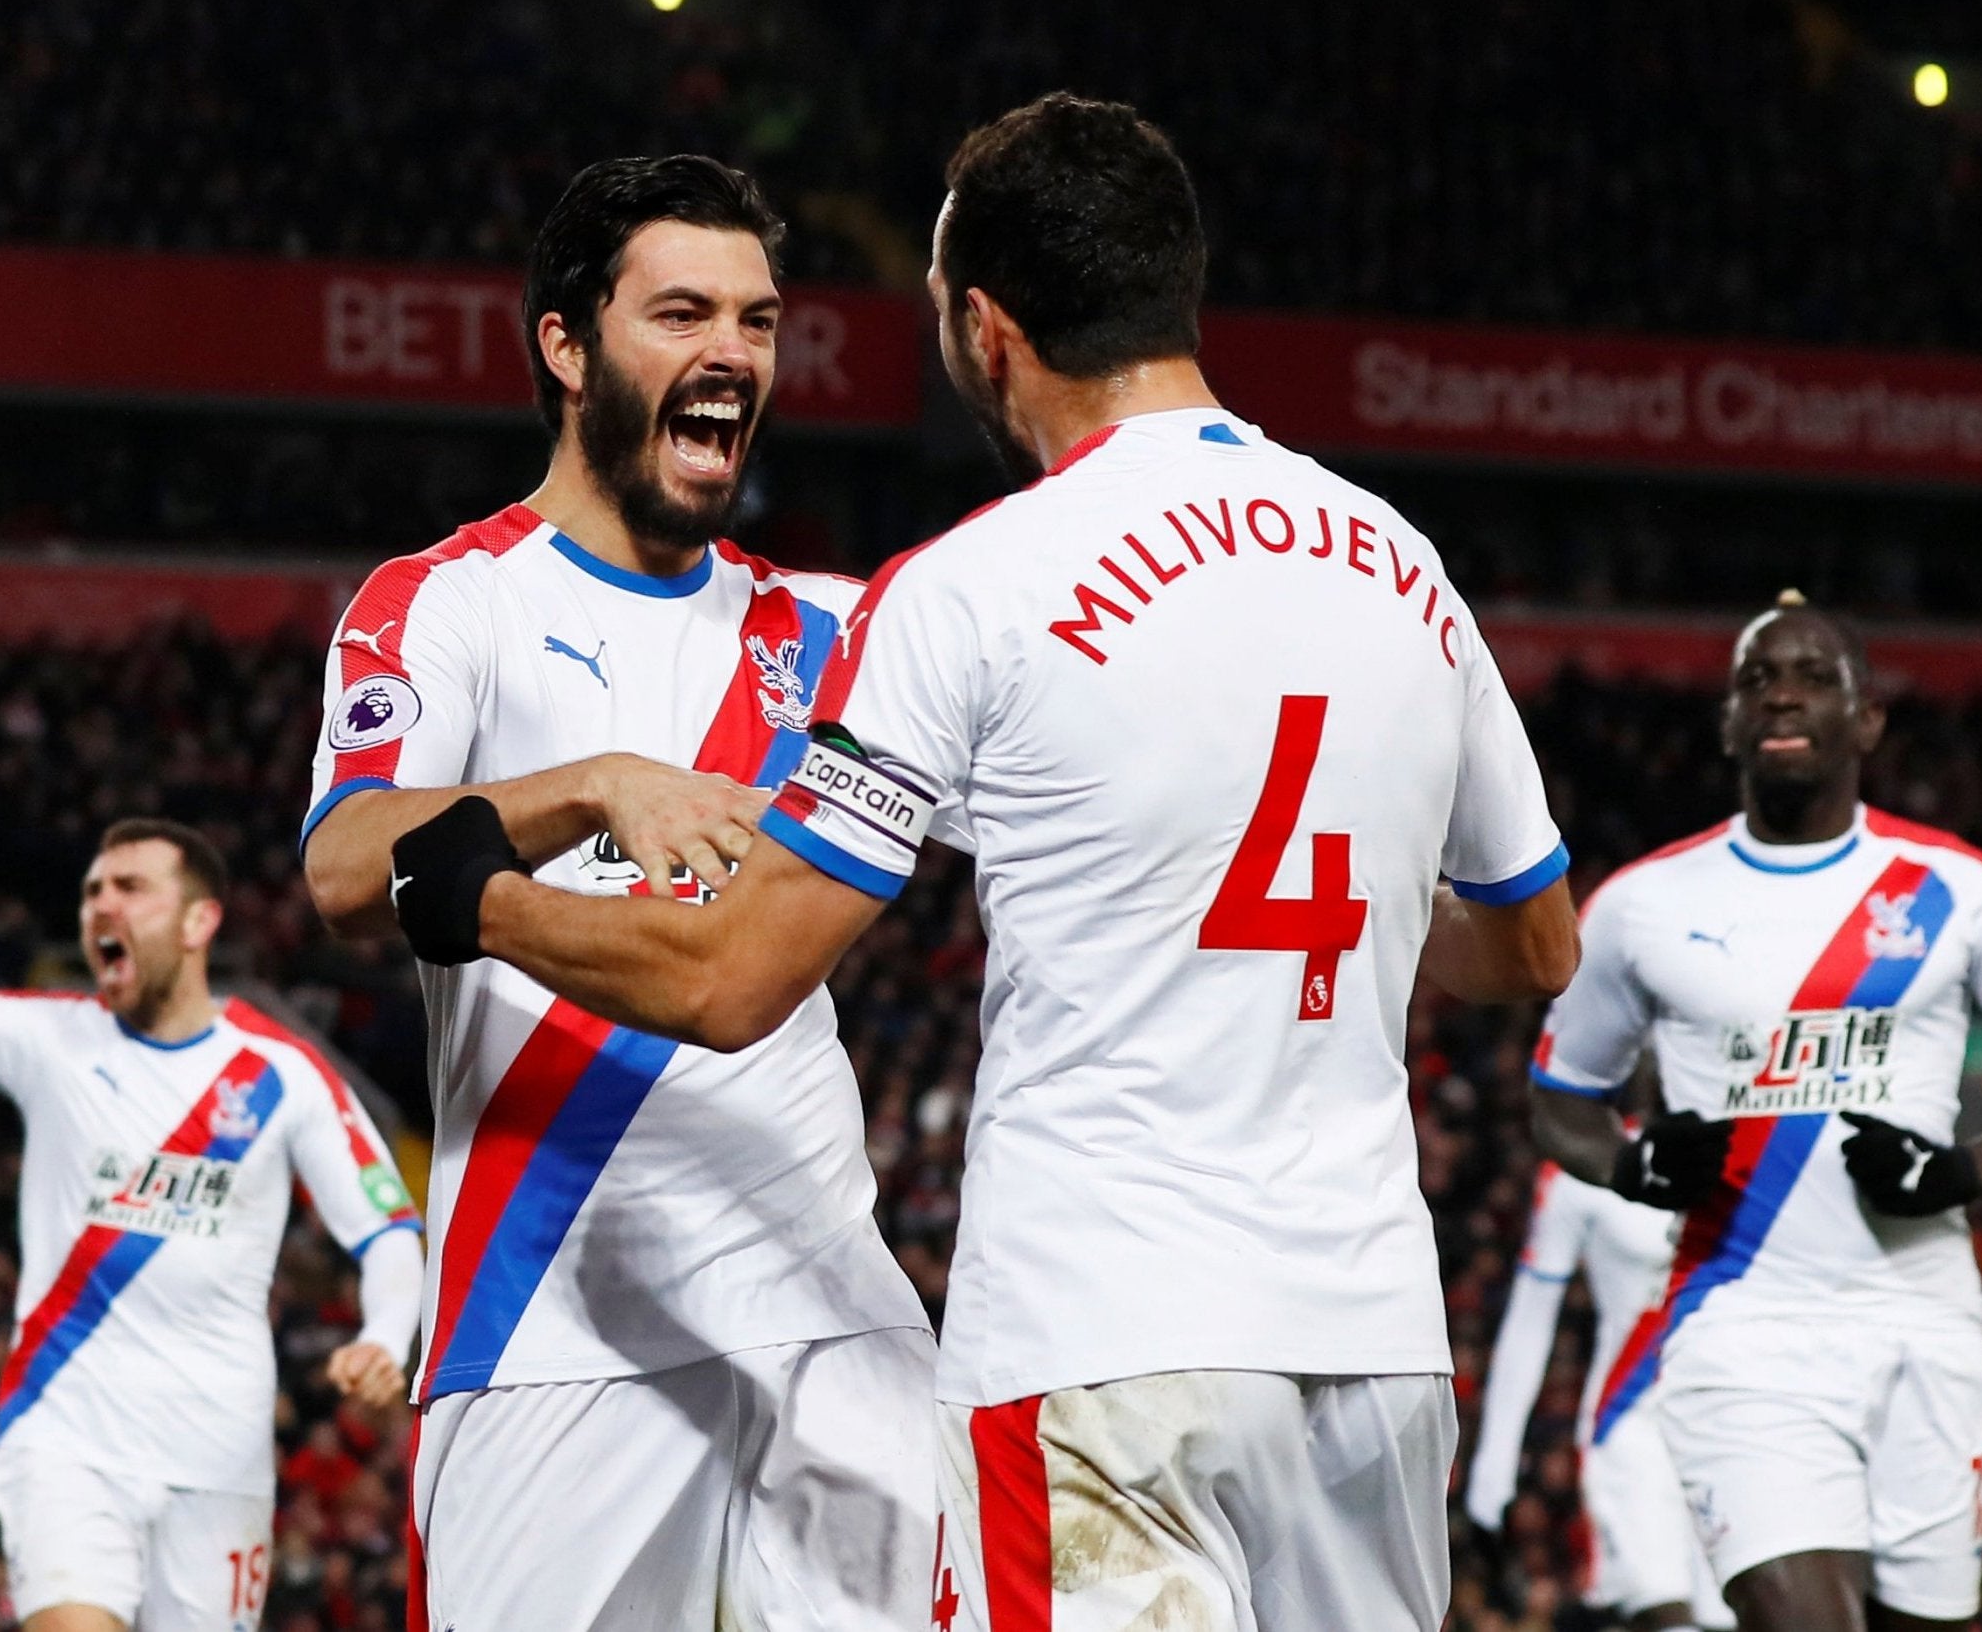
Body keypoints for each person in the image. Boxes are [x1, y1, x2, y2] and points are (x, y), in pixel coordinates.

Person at [384, 94, 1578, 1631]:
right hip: (1374, 1344)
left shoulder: (971, 590)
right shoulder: (1399, 563)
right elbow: (1536, 949)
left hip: (1103, 1346)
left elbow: (736, 974)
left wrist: (484, 900)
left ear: (985, 327)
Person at [298, 155, 934, 1632]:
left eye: (760, 321)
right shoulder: (449, 601)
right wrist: (587, 785)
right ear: (567, 348)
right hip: (553, 1316)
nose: (734, 353)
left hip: (826, 1311)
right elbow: (346, 866)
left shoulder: (836, 633)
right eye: (684, 313)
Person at [1530, 590, 1982, 1632]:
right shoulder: (1642, 903)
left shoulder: (1964, 892)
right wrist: (1634, 1165)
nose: (1782, 691)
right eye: (1758, 676)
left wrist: (1963, 1170)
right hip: (1739, 1322)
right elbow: (1560, 1102)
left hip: (1925, 1321)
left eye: (1815, 675)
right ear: (1728, 720)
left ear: (1866, 720)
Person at [0, 781, 423, 1632]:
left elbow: (390, 1230)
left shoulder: (280, 1072)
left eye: (130, 888)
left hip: (219, 1458)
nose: (101, 904)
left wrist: (382, 1337)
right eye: (92, 891)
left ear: (198, 923)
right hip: (66, 1436)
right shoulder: (50, 1038)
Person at [1467, 1146, 1733, 1632]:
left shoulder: (1758, 1143)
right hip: (1631, 1422)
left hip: (1733, 1412)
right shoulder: (1583, 1168)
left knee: (1743, 1609)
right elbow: (1530, 1317)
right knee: (1664, 1609)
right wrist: (1494, 1463)